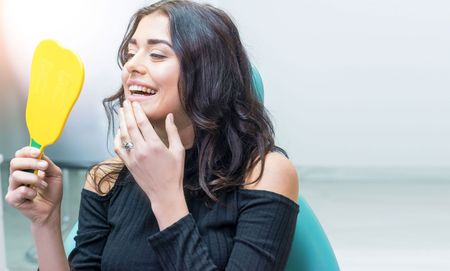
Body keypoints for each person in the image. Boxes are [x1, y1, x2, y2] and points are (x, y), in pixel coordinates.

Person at [5, 0, 299, 270]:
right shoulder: (105, 178)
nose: (132, 65)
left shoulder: (263, 173)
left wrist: (165, 198)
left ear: (208, 74)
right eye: (131, 53)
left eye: (157, 54)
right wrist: (45, 222)